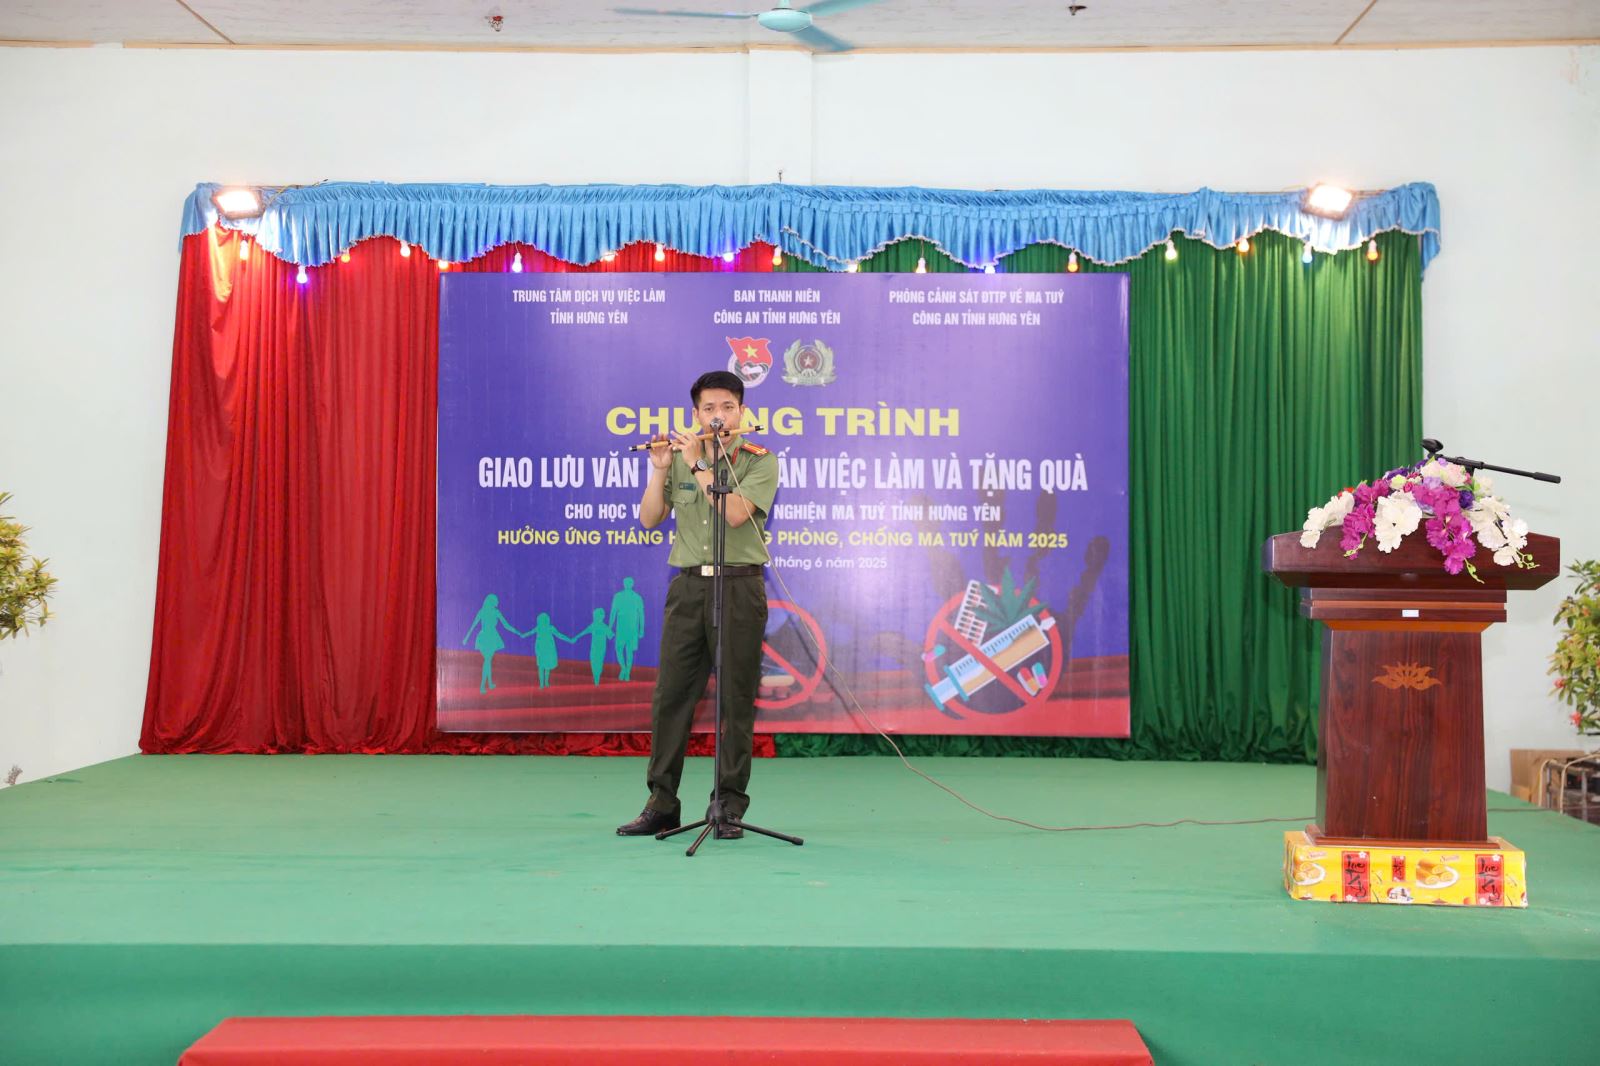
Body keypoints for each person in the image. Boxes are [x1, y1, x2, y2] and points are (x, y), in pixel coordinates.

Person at [615, 370, 777, 841]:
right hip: (688, 589)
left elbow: (735, 513)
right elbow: (649, 519)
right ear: (696, 414)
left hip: (740, 589)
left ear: (741, 411)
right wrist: (661, 468)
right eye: (709, 409)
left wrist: (700, 464)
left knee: (735, 699)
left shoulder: (759, 460)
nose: (718, 416)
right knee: (671, 698)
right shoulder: (681, 458)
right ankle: (661, 803)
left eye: (727, 407)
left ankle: (728, 806)